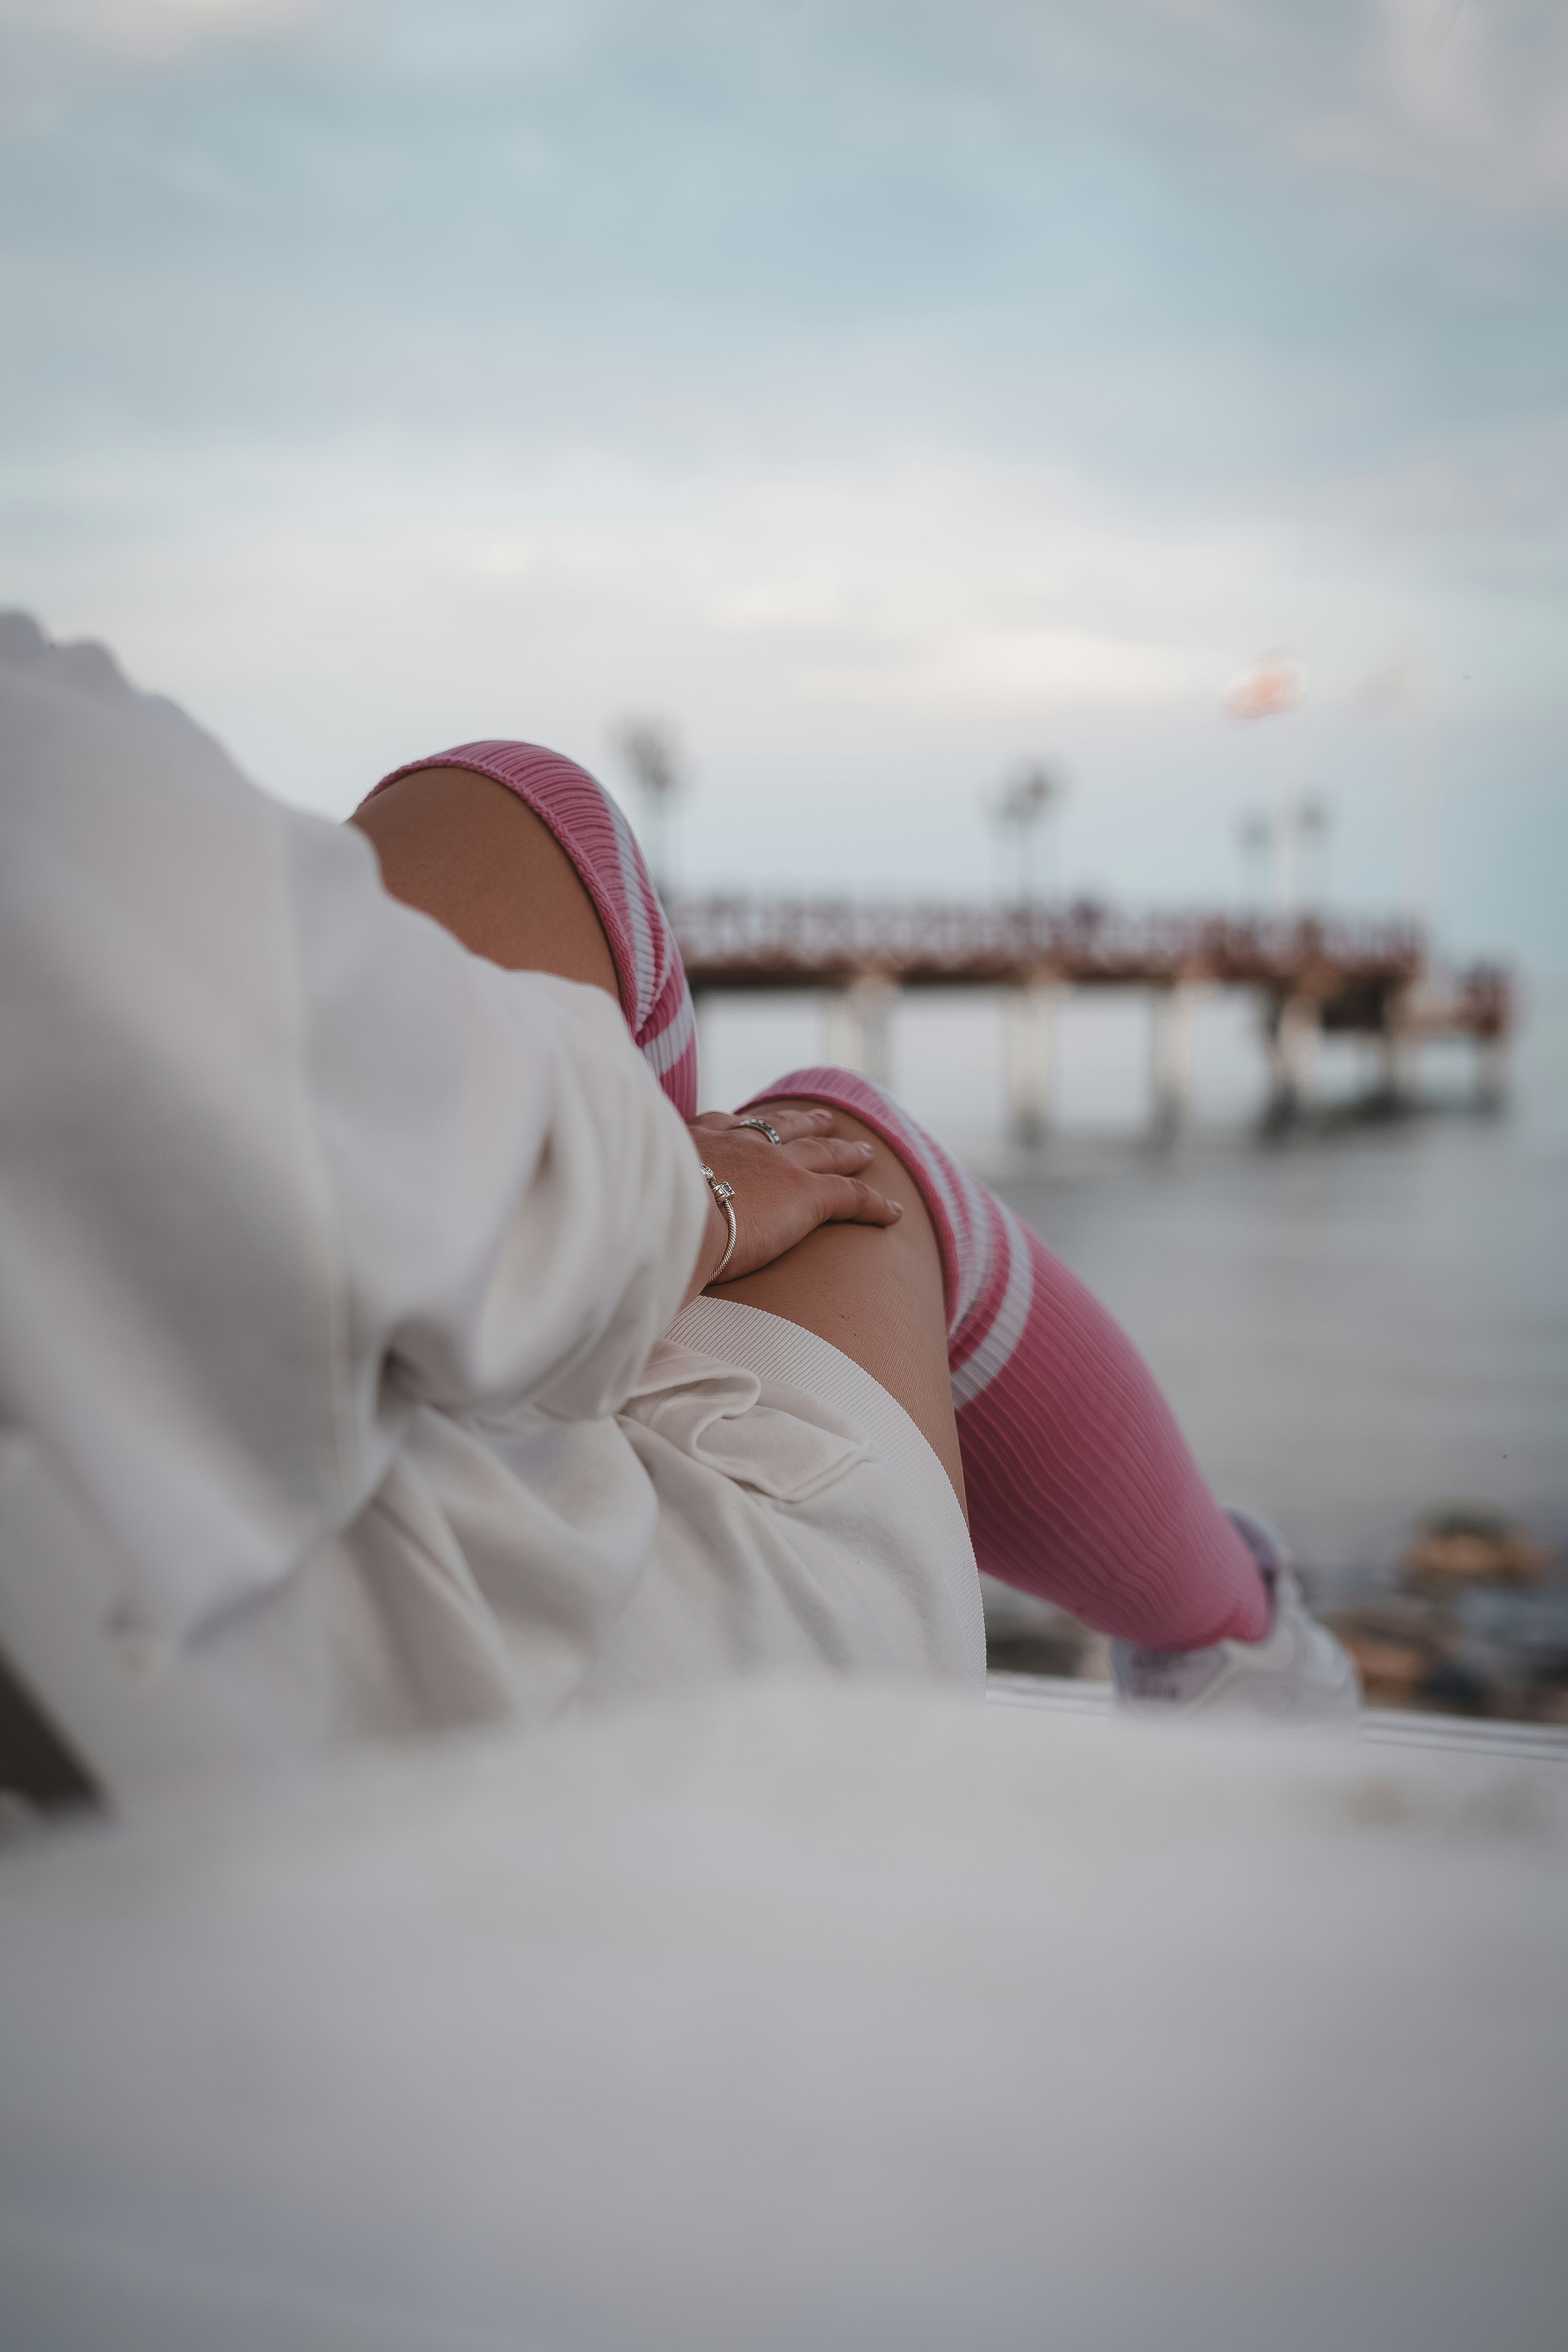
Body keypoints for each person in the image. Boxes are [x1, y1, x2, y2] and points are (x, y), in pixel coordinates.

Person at [0, 621, 1352, 1806]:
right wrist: (701, 1200)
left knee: (504, 822)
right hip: (504, 1731)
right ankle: (1242, 1655)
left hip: (118, 1605)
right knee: (837, 1155)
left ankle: (604, 1321)